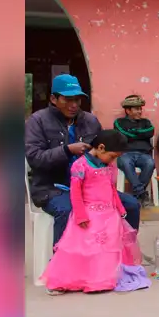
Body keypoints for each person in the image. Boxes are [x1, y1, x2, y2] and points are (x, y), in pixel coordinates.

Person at [25, 74, 140, 244]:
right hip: (52, 188)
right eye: (68, 99)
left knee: (131, 205)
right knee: (69, 210)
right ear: (53, 99)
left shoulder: (90, 120)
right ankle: (63, 263)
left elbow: (103, 150)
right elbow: (35, 158)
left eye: (77, 100)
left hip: (92, 187)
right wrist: (67, 150)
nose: (73, 105)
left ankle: (122, 254)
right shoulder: (37, 121)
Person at [41, 130, 151, 294]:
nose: (113, 160)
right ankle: (83, 278)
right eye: (112, 156)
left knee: (108, 248)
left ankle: (104, 278)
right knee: (87, 247)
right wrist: (80, 214)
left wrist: (120, 209)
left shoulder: (109, 165)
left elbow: (112, 189)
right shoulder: (80, 165)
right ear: (100, 148)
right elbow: (75, 192)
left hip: (109, 214)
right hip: (89, 214)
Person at [114, 94, 156, 206]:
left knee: (150, 163)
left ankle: (137, 194)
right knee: (126, 163)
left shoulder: (146, 122)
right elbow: (123, 134)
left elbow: (150, 131)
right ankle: (141, 193)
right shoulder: (119, 122)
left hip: (144, 154)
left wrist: (133, 132)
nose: (140, 111)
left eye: (140, 109)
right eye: (137, 109)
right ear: (128, 110)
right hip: (126, 154)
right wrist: (140, 133)